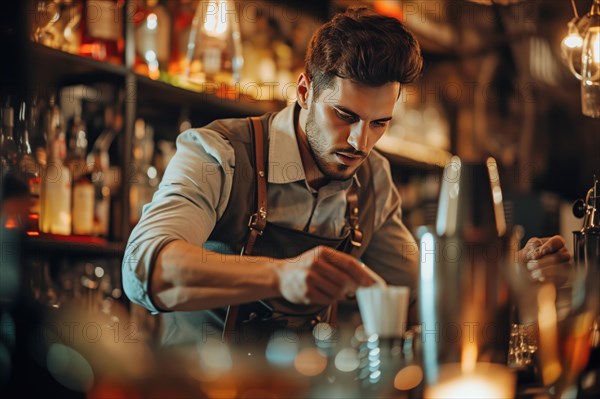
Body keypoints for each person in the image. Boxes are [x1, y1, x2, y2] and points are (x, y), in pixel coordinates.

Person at [122, 7, 571, 345]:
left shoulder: (373, 178)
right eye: (345, 115)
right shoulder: (216, 152)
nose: (361, 142)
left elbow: (416, 292)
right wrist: (279, 276)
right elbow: (145, 269)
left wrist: (511, 272)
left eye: (380, 123)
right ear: (303, 91)